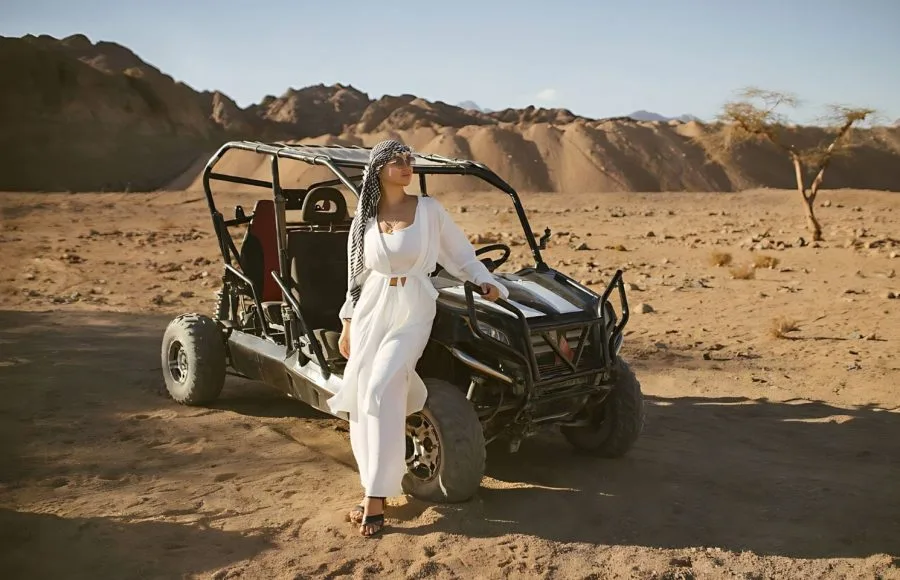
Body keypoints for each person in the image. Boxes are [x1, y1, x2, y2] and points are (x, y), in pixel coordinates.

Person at [327, 139, 509, 536]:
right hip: (372, 308)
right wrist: (346, 322)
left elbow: (460, 255)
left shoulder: (429, 210)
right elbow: (354, 279)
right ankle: (373, 488)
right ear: (377, 170)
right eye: (395, 160)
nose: (405, 164)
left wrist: (483, 281)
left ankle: (375, 497)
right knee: (365, 395)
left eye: (408, 158)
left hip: (413, 304)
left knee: (379, 385)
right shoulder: (363, 220)